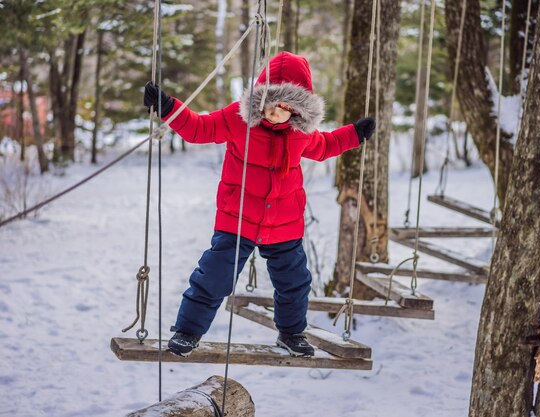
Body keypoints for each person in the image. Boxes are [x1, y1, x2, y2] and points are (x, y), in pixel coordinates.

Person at [144, 51, 376, 358]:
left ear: (298, 108)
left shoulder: (300, 132)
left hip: (285, 222)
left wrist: (355, 134)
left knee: (295, 282)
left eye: (286, 106)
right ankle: (188, 330)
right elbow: (199, 129)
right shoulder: (237, 119)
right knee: (215, 275)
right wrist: (168, 107)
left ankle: (291, 333)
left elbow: (326, 146)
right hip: (237, 218)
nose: (276, 112)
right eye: (272, 102)